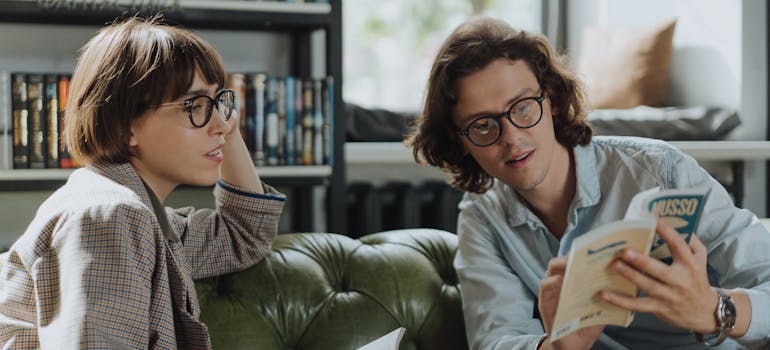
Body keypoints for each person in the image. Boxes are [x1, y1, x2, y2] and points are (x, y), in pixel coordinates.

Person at [406, 16, 770, 350]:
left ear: (551, 100)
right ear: (460, 141)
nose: (512, 138)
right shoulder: (483, 216)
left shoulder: (659, 171)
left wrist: (714, 309)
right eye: (483, 125)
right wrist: (557, 347)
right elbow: (496, 340)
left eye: (522, 108)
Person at [0, 17, 286, 348]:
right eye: (194, 106)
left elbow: (246, 233)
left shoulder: (142, 216)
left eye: (219, 101)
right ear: (125, 127)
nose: (220, 124)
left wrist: (226, 128)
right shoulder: (110, 215)